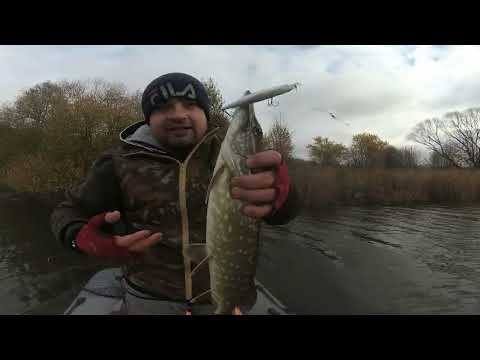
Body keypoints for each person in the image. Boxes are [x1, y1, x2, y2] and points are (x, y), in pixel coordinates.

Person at [50, 72, 299, 315]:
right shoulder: (117, 162)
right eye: (164, 107)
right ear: (148, 118)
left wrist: (283, 198)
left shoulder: (239, 161)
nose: (179, 114)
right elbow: (67, 211)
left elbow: (281, 215)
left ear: (206, 114)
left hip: (221, 295)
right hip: (147, 296)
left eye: (191, 105)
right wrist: (81, 238)